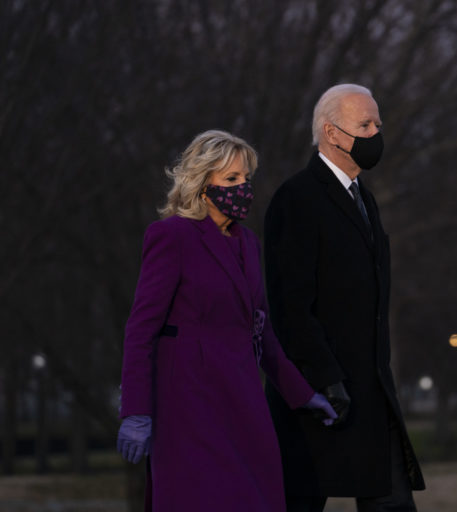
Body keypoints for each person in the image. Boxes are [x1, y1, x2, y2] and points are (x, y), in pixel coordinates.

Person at [116, 130, 337, 511]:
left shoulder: (248, 243)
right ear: (202, 185)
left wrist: (303, 394)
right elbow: (141, 330)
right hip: (188, 405)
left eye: (246, 178)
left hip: (243, 400)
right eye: (231, 178)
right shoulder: (171, 236)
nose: (243, 187)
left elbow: (261, 333)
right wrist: (136, 411)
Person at [263, 83, 425, 512]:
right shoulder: (297, 198)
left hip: (371, 393)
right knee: (299, 502)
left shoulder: (364, 200)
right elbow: (289, 305)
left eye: (378, 125)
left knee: (393, 503)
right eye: (365, 125)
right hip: (319, 397)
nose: (376, 134)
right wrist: (325, 378)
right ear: (332, 133)